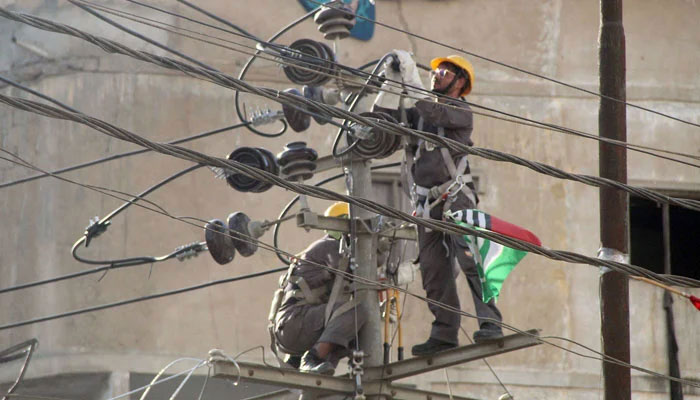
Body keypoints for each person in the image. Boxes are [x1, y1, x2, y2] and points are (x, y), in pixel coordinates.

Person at [373, 51, 503, 356]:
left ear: (460, 83)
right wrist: (392, 83)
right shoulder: (421, 115)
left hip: (456, 196)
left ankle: (490, 323)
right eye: (436, 72)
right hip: (426, 205)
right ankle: (444, 333)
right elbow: (386, 124)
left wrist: (412, 82)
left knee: (471, 260)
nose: (437, 75)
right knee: (433, 272)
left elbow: (434, 113)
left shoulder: (460, 113)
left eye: (445, 73)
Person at [268, 202, 365, 375]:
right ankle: (311, 359)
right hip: (294, 322)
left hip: (293, 327)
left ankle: (303, 362)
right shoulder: (331, 247)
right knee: (357, 313)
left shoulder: (330, 250)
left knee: (353, 329)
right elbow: (362, 276)